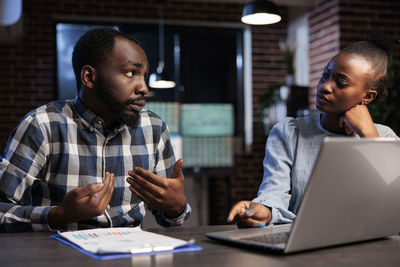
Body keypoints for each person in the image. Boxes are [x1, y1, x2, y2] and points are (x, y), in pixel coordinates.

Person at [0, 28, 191, 232]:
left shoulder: (153, 128)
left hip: (131, 256)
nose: (143, 88)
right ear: (89, 77)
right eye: (130, 73)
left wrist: (176, 207)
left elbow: (171, 220)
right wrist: (58, 215)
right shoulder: (42, 125)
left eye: (143, 76)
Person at [227, 35, 398, 228]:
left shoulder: (385, 139)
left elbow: (391, 201)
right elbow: (275, 191)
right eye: (325, 75)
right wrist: (265, 211)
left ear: (367, 96)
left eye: (341, 83)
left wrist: (369, 137)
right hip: (302, 243)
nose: (325, 86)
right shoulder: (289, 132)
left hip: (366, 242)